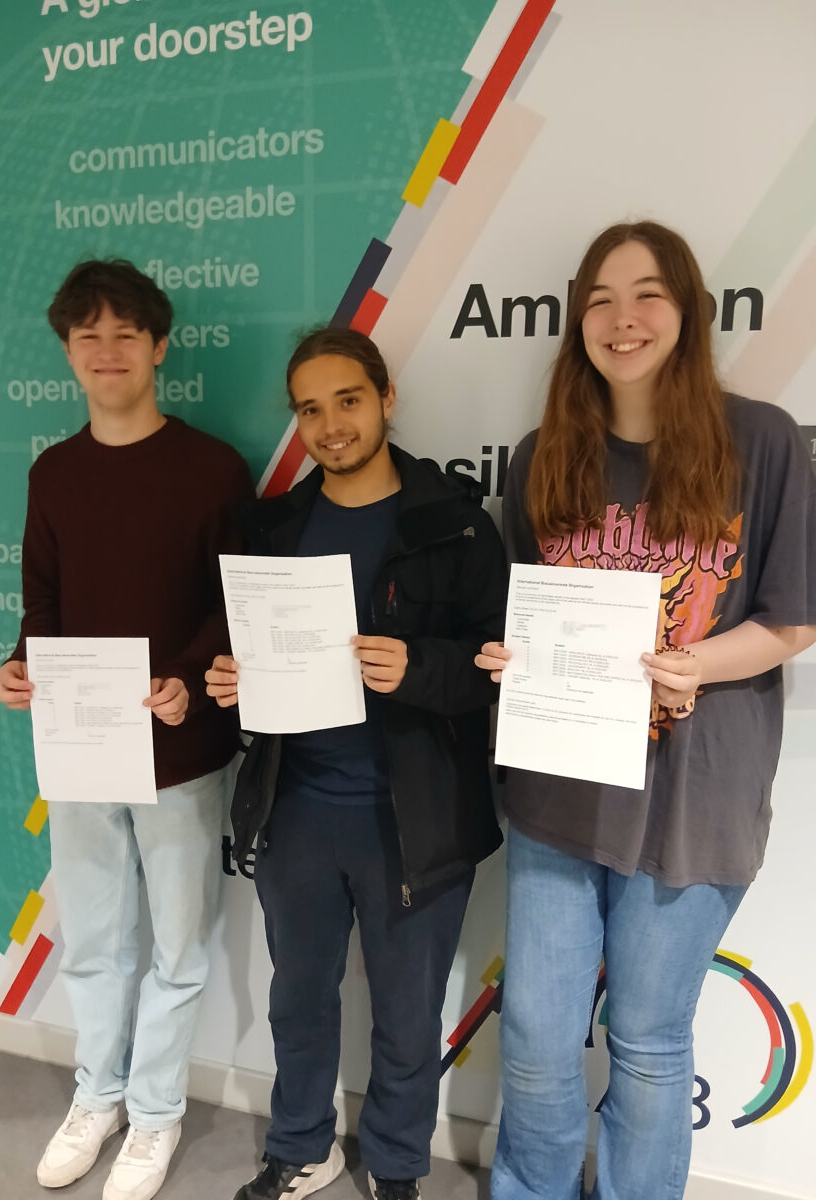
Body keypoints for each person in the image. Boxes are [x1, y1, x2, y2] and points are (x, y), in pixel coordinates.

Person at [476, 221, 816, 1200]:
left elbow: (793, 620)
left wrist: (696, 662)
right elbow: (533, 607)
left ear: (690, 311)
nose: (623, 320)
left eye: (648, 294)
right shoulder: (547, 454)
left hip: (693, 796)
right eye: (599, 300)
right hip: (562, 789)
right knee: (539, 1032)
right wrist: (515, 657)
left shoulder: (763, 439)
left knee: (651, 1040)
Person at [206, 327, 506, 1200]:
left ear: (385, 399)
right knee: (299, 997)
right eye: (310, 409)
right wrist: (232, 677)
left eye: (347, 400)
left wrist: (420, 668)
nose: (330, 425)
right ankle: (302, 1143)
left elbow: (495, 661)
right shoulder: (273, 527)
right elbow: (247, 650)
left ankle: (399, 1162)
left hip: (417, 817)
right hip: (296, 806)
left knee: (410, 1014)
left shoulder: (454, 524)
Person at [0, 259, 254, 1200]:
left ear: (159, 345)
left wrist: (189, 683)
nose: (106, 352)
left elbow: (236, 608)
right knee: (97, 943)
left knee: (180, 951)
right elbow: (44, 603)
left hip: (182, 752)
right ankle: (96, 1096)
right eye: (87, 337)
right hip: (79, 747)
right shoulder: (53, 473)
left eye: (124, 334)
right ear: (67, 352)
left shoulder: (213, 467)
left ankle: (154, 1119)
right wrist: (21, 666)